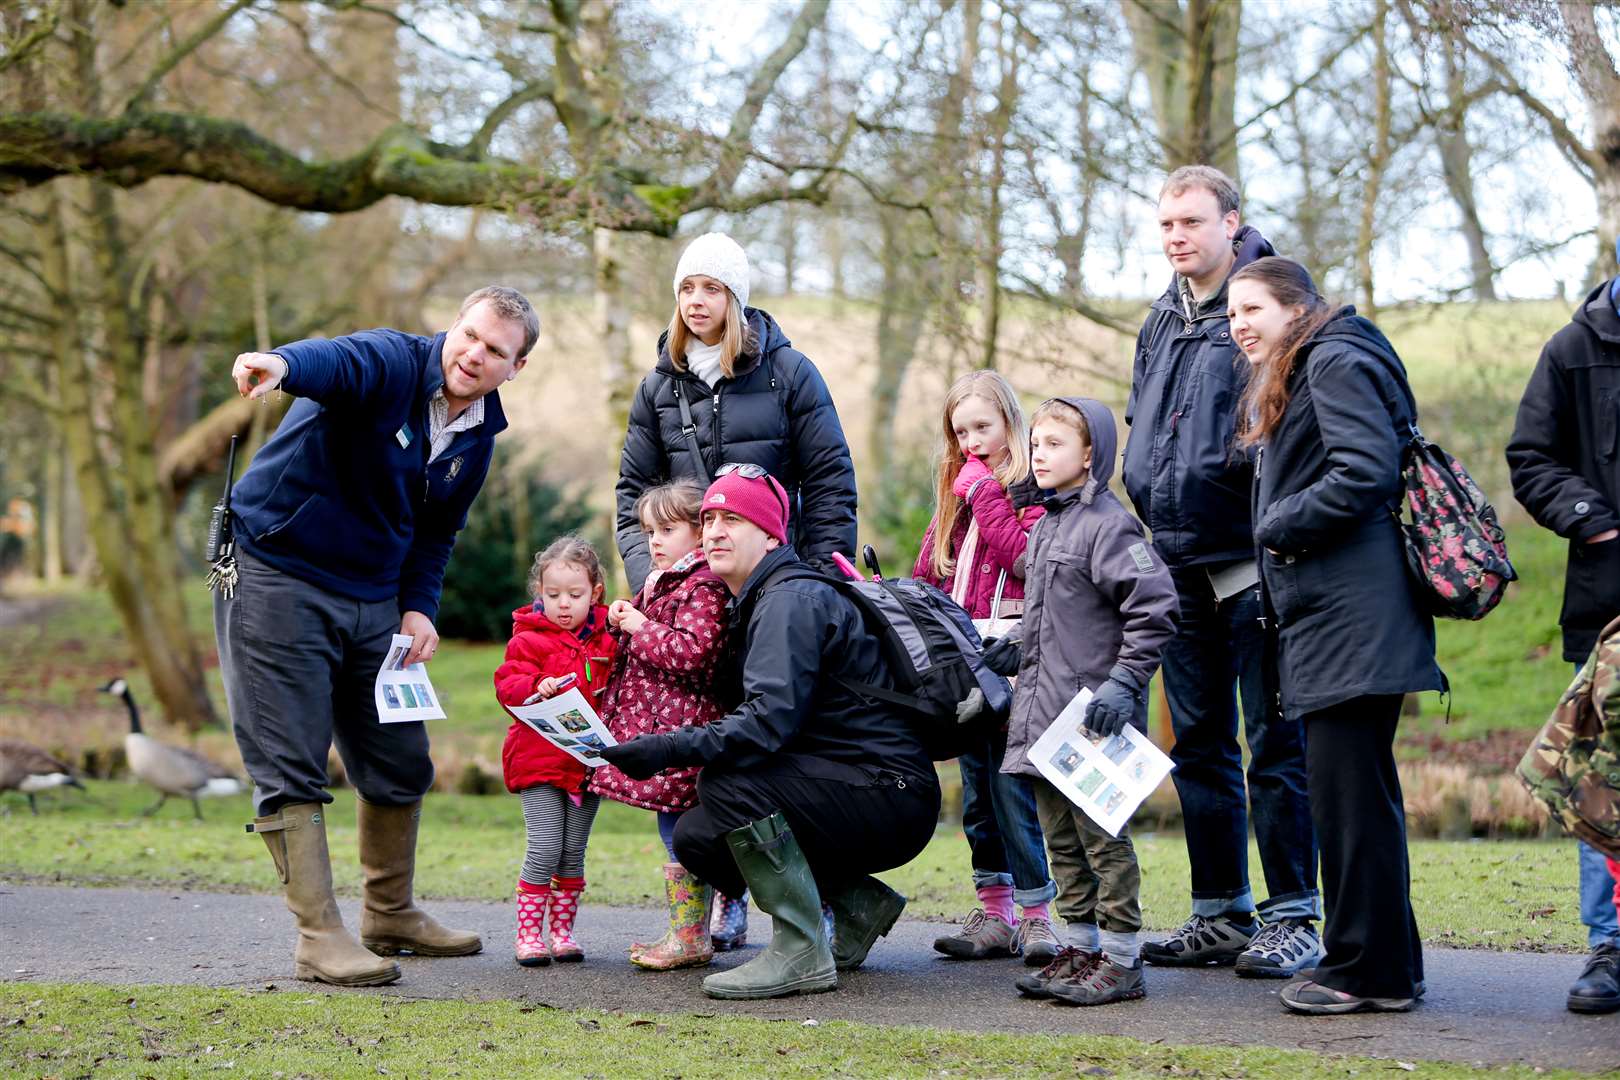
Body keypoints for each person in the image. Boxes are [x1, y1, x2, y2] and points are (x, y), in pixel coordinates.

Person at [224, 286, 537, 986]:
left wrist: (420, 607)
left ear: (515, 368)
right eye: (470, 336)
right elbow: (339, 363)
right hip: (279, 569)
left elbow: (437, 530)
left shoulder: (478, 433)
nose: (475, 355)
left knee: (399, 755)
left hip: (373, 596)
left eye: (496, 351)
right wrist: (281, 364)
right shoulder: (394, 364)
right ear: (451, 327)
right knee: (292, 759)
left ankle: (389, 912)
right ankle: (318, 936)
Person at [598, 465, 941, 1000]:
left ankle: (799, 950)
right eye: (708, 518)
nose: (713, 531)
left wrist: (666, 749)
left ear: (771, 533)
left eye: (731, 518)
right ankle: (857, 908)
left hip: (887, 791)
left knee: (729, 785)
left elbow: (765, 725)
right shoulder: (756, 598)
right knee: (696, 835)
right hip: (856, 784)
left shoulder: (789, 601)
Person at [616, 231, 858, 950]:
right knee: (699, 752)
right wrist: (653, 579)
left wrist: (811, 579)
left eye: (712, 289)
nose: (697, 302)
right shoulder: (659, 383)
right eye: (687, 288)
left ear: (736, 298)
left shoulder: (788, 374)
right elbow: (632, 487)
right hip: (692, 598)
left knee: (780, 742)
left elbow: (830, 478)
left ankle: (810, 901)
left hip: (775, 591)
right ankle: (719, 902)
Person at [1229, 256, 1444, 1014]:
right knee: (1358, 802)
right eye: (1231, 316)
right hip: (1342, 616)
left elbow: (1365, 470)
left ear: (1296, 306)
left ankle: (1361, 969)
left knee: (1349, 804)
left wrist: (1278, 523)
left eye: (1252, 308)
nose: (1240, 325)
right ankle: (1390, 969)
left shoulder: (1334, 359)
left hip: (1354, 617)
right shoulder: (1323, 359)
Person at [1123, 165, 1321, 977]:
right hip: (1173, 568)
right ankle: (1220, 913)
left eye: (1192, 223)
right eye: (1167, 224)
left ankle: (1295, 915)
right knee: (1197, 744)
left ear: (1232, 224)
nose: (1177, 237)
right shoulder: (1159, 320)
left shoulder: (1263, 313)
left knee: (1274, 745)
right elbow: (1143, 420)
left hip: (1253, 563)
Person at [984, 397, 1179, 1007]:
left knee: (1102, 841)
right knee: (1061, 843)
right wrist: (1015, 646)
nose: (1039, 454)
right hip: (1044, 721)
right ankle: (1081, 946)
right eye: (1035, 443)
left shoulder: (1109, 525)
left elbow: (1155, 609)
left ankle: (1122, 960)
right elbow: (1052, 620)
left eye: (1055, 444)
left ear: (1091, 453)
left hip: (1093, 721)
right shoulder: (1045, 526)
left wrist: (1124, 683)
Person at [912, 371, 1060, 964]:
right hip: (966, 663)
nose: (972, 442)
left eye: (984, 427)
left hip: (1017, 661)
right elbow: (932, 570)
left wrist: (983, 494)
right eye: (961, 432)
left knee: (1011, 788)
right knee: (976, 790)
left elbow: (1023, 560)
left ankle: (1037, 915)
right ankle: (994, 911)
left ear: (1010, 424)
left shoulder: (1025, 490)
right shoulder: (960, 493)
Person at [1506, 258, 1620, 1015]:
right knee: (1602, 779)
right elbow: (1530, 457)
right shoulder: (1571, 349)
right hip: (1608, 603)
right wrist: (1594, 519)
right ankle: (1609, 947)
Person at [589, 482, 732, 971]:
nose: (653, 541)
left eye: (667, 529)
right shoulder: (667, 581)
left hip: (686, 727)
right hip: (666, 725)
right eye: (650, 530)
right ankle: (687, 930)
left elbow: (695, 653)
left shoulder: (705, 585)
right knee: (671, 827)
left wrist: (638, 627)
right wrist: (622, 621)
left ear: (699, 532)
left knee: (680, 830)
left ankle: (692, 935)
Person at [492, 536, 617, 966]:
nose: (563, 605)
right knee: (545, 845)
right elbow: (507, 685)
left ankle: (562, 932)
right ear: (539, 594)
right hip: (539, 762)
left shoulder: (608, 639)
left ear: (595, 593)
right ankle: (529, 934)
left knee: (571, 851)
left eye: (575, 595)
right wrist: (533, 687)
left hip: (586, 764)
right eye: (553, 595)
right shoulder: (528, 640)